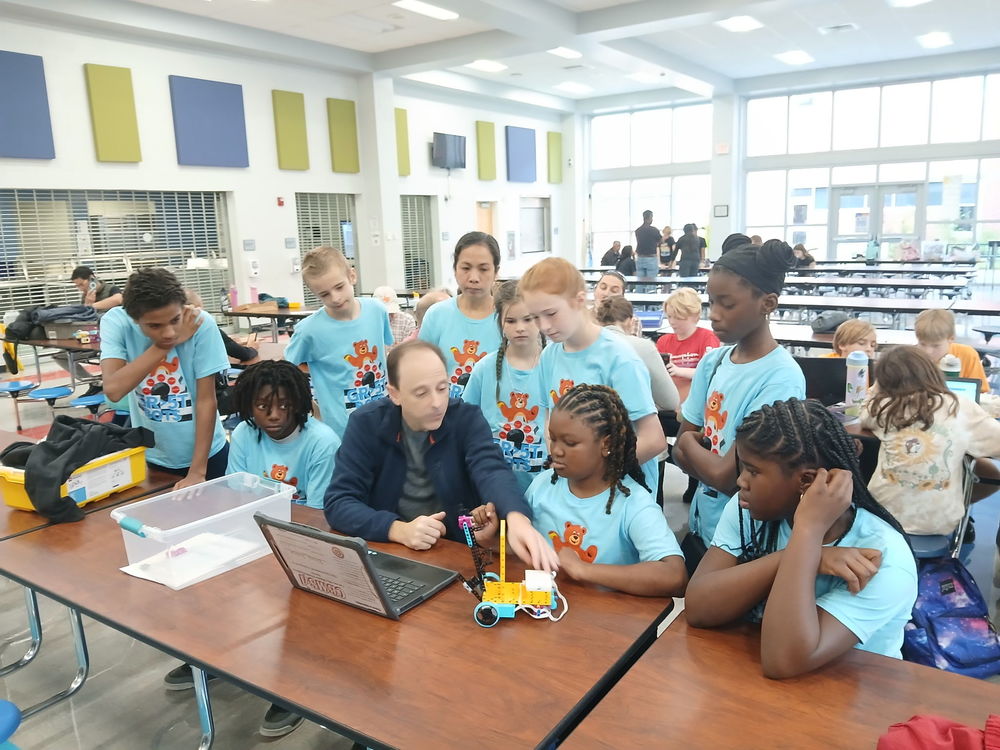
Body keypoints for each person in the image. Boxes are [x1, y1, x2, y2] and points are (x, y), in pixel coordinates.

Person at [685, 398, 917, 678]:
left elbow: (783, 660)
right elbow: (698, 608)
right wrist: (800, 557)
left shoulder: (882, 555)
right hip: (753, 684)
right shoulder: (746, 510)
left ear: (806, 481)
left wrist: (807, 530)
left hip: (855, 698)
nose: (740, 481)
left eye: (754, 471)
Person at [171, 360, 340, 737]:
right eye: (263, 406)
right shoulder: (246, 436)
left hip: (302, 542)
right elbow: (236, 496)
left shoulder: (322, 442)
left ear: (298, 402)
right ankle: (212, 656)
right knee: (211, 585)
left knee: (294, 607)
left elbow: (318, 516)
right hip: (252, 535)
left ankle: (293, 688)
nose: (274, 415)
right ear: (249, 405)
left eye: (283, 405)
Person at [324, 340, 558, 571]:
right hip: (388, 553)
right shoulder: (367, 424)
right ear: (394, 394)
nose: (437, 403)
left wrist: (516, 518)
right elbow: (339, 501)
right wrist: (396, 529)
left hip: (455, 551)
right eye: (421, 393)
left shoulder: (465, 420)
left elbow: (491, 469)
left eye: (442, 388)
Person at [473, 384, 687, 597]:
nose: (555, 450)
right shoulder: (544, 484)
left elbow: (674, 576)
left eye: (570, 442)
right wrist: (493, 542)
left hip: (603, 624)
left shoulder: (634, 503)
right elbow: (530, 553)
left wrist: (584, 570)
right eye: (553, 438)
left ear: (607, 444)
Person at [672, 240, 806, 554]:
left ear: (768, 303)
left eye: (727, 304)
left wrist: (692, 448)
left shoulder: (781, 378)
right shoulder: (713, 362)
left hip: (745, 543)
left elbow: (729, 477)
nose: (715, 315)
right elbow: (679, 452)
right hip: (701, 528)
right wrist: (693, 452)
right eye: (711, 303)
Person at [520, 257, 667, 494]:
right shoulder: (549, 356)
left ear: (579, 300)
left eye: (551, 314)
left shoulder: (619, 359)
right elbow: (547, 420)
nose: (544, 326)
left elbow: (653, 439)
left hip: (618, 493)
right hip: (576, 490)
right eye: (535, 317)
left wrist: (596, 475)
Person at [100, 267, 229, 489]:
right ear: (135, 319)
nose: (169, 332)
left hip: (207, 455)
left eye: (174, 320)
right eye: (154, 326)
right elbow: (113, 389)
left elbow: (206, 400)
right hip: (151, 455)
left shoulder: (200, 323)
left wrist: (197, 472)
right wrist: (163, 347)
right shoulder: (117, 322)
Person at [861, 346, 1000, 535]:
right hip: (937, 525)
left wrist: (877, 390)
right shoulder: (960, 407)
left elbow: (864, 415)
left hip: (881, 517)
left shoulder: (884, 407)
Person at [284, 246, 393, 437]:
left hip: (385, 420)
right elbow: (285, 374)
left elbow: (385, 355)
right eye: (324, 294)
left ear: (352, 276)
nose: (335, 298)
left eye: (339, 287)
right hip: (341, 431)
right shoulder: (308, 330)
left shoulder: (377, 310)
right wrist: (312, 408)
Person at [462, 281, 546, 491]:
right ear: (499, 322)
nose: (520, 327)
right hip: (494, 488)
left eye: (528, 319)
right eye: (510, 320)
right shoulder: (484, 368)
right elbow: (463, 423)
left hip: (546, 487)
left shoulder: (555, 365)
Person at [419, 232, 503, 398]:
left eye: (483, 269)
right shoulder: (437, 315)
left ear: (496, 271)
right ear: (455, 269)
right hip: (445, 416)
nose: (473, 278)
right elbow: (421, 369)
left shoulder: (508, 319)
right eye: (465, 268)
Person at [595, 297, 679, 412]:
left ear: (599, 321)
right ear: (630, 321)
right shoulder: (644, 347)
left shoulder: (581, 346)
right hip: (631, 425)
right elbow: (670, 402)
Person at [60, 266, 124, 393]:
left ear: (91, 278)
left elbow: (118, 299)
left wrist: (90, 306)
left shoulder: (111, 289)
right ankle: (95, 383)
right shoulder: (86, 296)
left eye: (82, 284)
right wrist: (87, 305)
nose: (81, 288)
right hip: (91, 339)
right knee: (61, 356)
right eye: (77, 286)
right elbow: (83, 319)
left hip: (112, 340)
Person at [915, 308, 990, 393]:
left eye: (936, 346)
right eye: (922, 344)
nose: (928, 351)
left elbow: (980, 392)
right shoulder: (911, 358)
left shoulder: (967, 355)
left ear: (951, 338)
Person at [656, 287, 720, 380]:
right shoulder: (663, 341)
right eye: (669, 316)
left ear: (695, 316)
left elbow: (709, 372)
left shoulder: (708, 338)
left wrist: (679, 371)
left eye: (678, 317)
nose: (672, 321)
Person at [592, 270, 641, 337]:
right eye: (603, 288)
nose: (606, 294)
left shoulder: (630, 321)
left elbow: (632, 345)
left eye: (614, 291)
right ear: (595, 290)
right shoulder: (581, 316)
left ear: (622, 297)